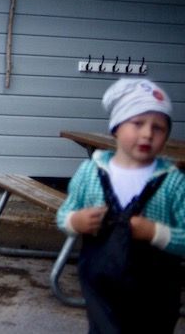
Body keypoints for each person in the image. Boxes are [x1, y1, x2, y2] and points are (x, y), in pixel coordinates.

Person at [57, 78, 185, 333]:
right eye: (138, 123)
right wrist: (76, 221)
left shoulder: (172, 181)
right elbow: (64, 215)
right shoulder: (90, 172)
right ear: (116, 128)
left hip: (156, 291)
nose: (148, 133)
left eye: (159, 128)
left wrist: (155, 232)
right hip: (101, 286)